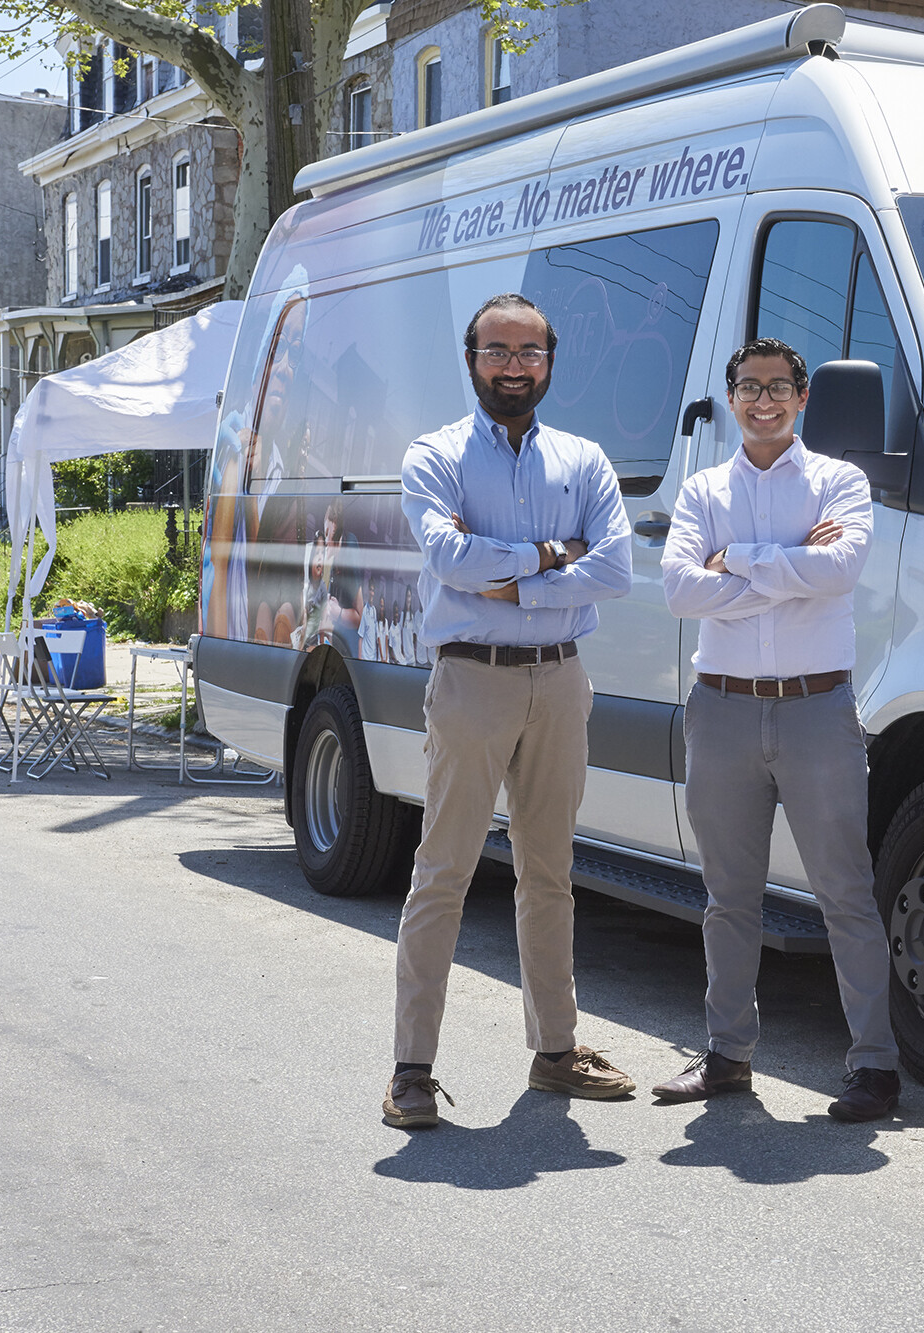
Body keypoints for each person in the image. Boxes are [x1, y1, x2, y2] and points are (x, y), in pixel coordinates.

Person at [383, 292, 635, 1130]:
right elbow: (448, 557)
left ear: (551, 362)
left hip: (560, 680)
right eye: (498, 350)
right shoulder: (436, 455)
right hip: (472, 680)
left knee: (550, 873)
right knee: (444, 871)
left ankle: (556, 1050)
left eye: (530, 351)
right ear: (471, 360)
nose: (515, 366)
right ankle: (411, 1070)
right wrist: (555, 553)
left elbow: (616, 569)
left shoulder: (583, 459)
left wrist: (515, 580)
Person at [653, 337, 902, 1124]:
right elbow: (679, 591)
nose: (764, 400)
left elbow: (840, 570)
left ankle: (875, 1065)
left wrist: (734, 561)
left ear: (802, 398)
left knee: (845, 893)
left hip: (816, 709)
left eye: (778, 387)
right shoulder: (702, 490)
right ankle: (727, 1056)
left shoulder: (839, 482)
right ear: (731, 398)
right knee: (729, 897)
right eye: (750, 387)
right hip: (721, 709)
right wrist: (790, 566)